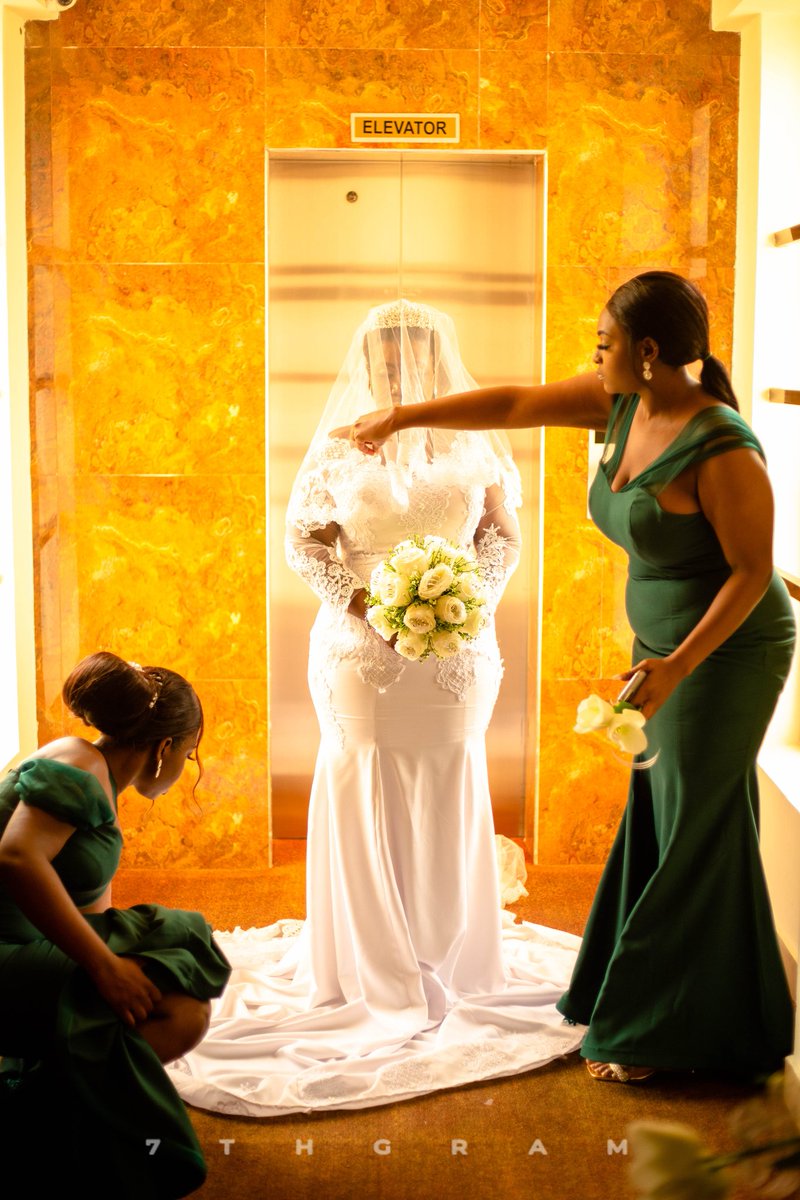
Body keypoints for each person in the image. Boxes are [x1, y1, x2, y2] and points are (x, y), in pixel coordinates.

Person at [344, 273, 796, 1083]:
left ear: (647, 352)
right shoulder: (621, 405)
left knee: (698, 820)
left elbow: (754, 572)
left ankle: (656, 1030)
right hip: (661, 646)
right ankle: (698, 1008)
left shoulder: (723, 445)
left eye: (603, 342)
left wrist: (679, 664)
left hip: (726, 652)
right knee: (667, 810)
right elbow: (514, 405)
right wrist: (403, 415)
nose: (594, 354)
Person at [164, 299, 583, 1118]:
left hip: (460, 649)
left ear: (435, 356)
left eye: (411, 352)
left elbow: (501, 533)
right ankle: (363, 964)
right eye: (384, 355)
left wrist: (473, 595)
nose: (397, 367)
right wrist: (363, 603)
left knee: (448, 774)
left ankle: (448, 950)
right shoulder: (337, 443)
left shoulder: (474, 440)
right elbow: (304, 542)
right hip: (359, 653)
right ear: (368, 361)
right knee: (363, 778)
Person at [0, 651, 231, 1197]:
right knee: (179, 976)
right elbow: (14, 857)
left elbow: (94, 911)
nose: (186, 769)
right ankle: (38, 1123)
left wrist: (122, 965)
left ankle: (59, 1109)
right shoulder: (79, 765)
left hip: (26, 947)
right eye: (191, 754)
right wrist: (105, 969)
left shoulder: (97, 774)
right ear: (166, 747)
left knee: (171, 960)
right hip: (6, 952)